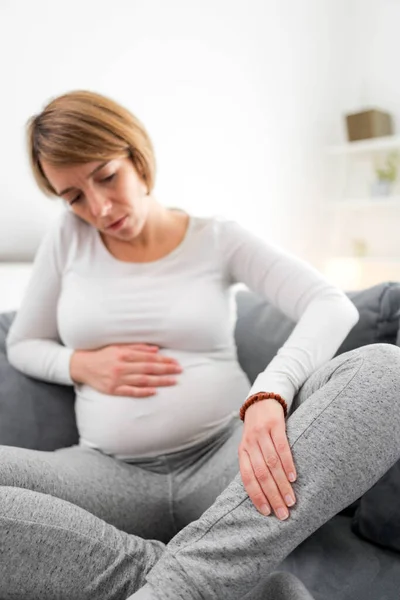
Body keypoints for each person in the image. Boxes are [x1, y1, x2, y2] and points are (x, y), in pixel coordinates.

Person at [1, 90, 400, 600]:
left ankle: (180, 589)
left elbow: (330, 304)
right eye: (74, 196)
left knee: (387, 371)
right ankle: (237, 589)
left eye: (106, 176)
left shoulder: (217, 238)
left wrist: (270, 393)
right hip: (104, 475)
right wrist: (79, 363)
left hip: (229, 460)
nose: (98, 207)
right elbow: (23, 343)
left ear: (137, 157)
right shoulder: (67, 240)